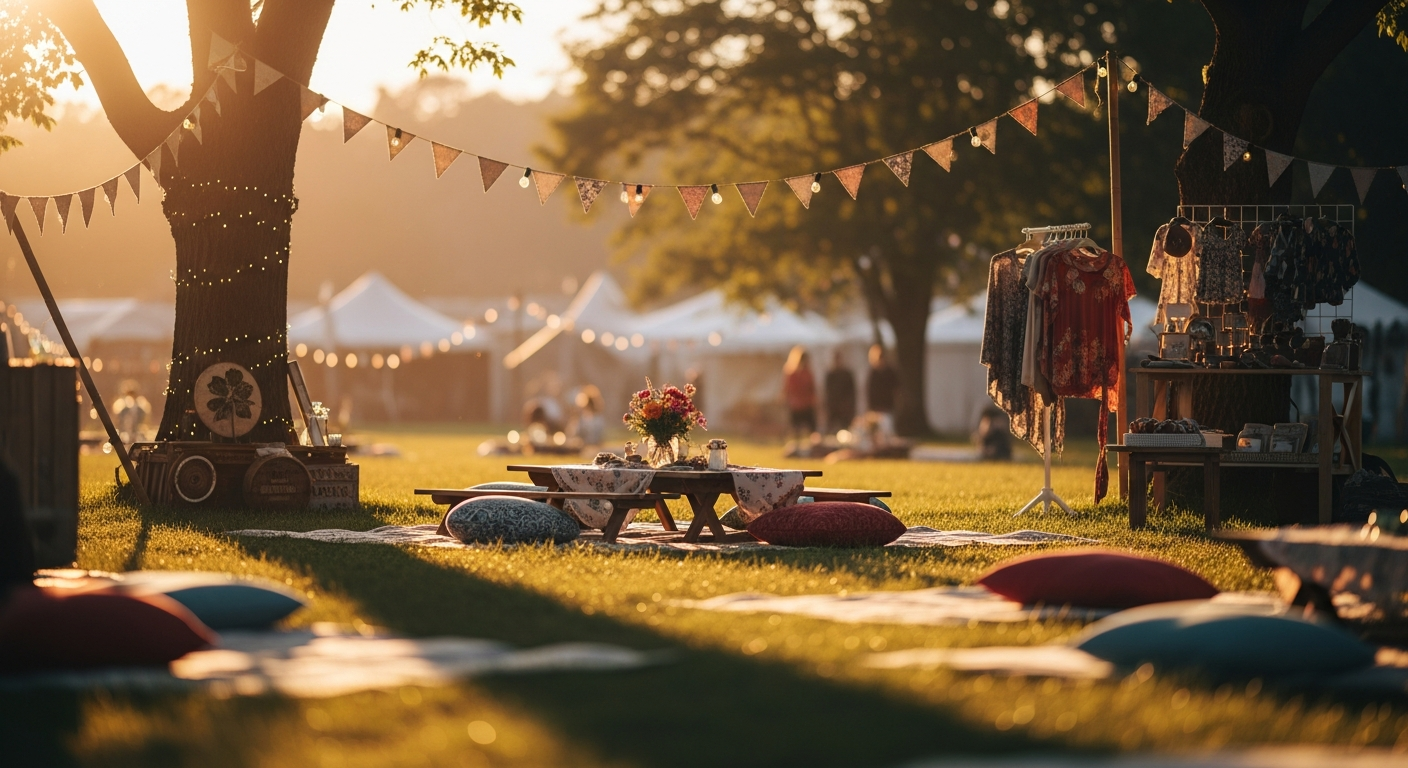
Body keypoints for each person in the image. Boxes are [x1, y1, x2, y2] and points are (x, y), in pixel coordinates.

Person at [782, 346, 817, 442]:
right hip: (797, 405)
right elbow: (788, 389)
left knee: (812, 430)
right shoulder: (792, 373)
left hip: (806, 404)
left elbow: (812, 389)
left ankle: (813, 447)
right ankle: (797, 447)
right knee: (796, 430)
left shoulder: (807, 372)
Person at [865, 344, 899, 439]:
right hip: (876, 407)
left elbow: (896, 388)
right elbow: (869, 391)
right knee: (877, 431)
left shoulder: (890, 371)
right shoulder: (873, 373)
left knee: (888, 429)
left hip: (887, 406)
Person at [823, 350, 857, 435]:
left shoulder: (847, 374)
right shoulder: (830, 375)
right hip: (833, 410)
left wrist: (849, 407)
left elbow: (852, 393)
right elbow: (827, 393)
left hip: (846, 410)